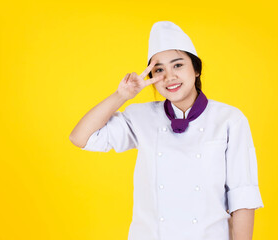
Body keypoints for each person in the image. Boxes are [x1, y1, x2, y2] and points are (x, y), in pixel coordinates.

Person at [69, 21, 264, 240]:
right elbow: (80, 137)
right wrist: (122, 95)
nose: (169, 77)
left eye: (178, 65)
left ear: (196, 69)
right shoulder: (140, 116)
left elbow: (242, 197)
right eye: (159, 69)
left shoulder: (229, 119)